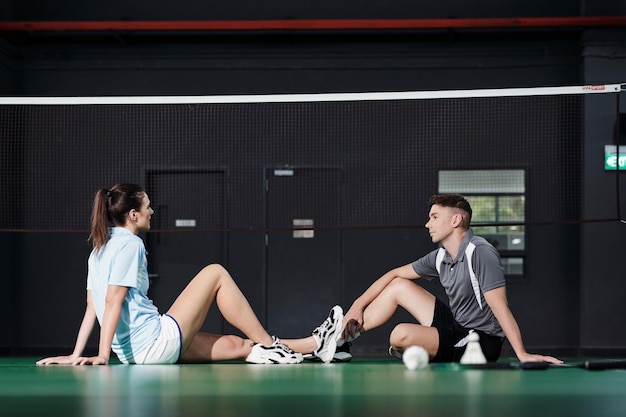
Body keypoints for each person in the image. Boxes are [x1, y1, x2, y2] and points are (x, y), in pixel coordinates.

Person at [37, 183, 343, 366]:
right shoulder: (129, 245)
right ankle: (272, 346)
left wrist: (76, 353)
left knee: (236, 345)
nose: (152, 212)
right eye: (147, 207)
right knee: (216, 272)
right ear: (133, 215)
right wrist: (102, 356)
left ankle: (316, 344)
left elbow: (94, 307)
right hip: (154, 342)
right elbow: (113, 301)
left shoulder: (98, 249)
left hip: (135, 353)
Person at [339, 194, 562, 364]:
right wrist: (357, 306)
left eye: (434, 217)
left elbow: (500, 307)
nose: (428, 224)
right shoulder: (441, 256)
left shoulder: (480, 252)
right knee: (398, 286)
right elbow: (393, 274)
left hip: (480, 339)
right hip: (456, 325)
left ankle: (417, 348)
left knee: (400, 334)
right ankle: (340, 339)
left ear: (456, 219)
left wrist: (522, 354)